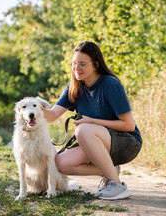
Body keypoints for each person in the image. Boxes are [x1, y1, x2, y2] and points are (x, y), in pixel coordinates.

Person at [42, 41, 142, 200]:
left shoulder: (110, 84)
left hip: (127, 143)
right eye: (74, 63)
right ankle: (109, 170)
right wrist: (32, 106)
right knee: (60, 163)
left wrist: (92, 121)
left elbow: (129, 125)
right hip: (97, 142)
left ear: (95, 65)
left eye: (82, 64)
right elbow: (52, 115)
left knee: (83, 129)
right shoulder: (74, 88)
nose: (76, 68)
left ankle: (116, 185)